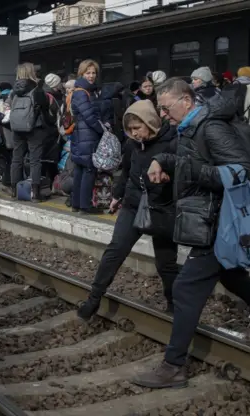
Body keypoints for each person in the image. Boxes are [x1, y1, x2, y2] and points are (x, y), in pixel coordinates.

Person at [131, 78, 250, 388]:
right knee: (233, 277)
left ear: (187, 102)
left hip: (218, 223)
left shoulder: (211, 128)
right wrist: (160, 159)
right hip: (210, 219)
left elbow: (244, 170)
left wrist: (192, 172)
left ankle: (173, 366)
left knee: (185, 289)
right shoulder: (190, 127)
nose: (163, 114)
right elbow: (181, 157)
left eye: (166, 108)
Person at [77, 99, 180, 320]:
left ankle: (174, 306)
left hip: (162, 208)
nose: (134, 133)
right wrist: (117, 195)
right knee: (115, 251)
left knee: (166, 263)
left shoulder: (172, 142)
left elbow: (181, 171)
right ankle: (94, 298)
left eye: (138, 128)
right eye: (130, 129)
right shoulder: (132, 144)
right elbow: (126, 171)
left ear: (150, 123)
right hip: (133, 205)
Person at [9, 63, 51, 202]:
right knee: (35, 161)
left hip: (16, 129)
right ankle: (35, 193)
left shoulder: (13, 90)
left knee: (16, 159)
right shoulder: (37, 89)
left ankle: (14, 191)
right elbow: (45, 108)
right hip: (35, 128)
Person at [71, 59, 103, 214]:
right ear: (81, 74)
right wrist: (103, 131)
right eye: (88, 73)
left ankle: (76, 204)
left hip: (80, 135)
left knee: (80, 169)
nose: (91, 76)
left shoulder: (83, 91)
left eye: (93, 73)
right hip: (87, 135)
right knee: (89, 169)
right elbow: (89, 116)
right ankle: (85, 205)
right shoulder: (82, 93)